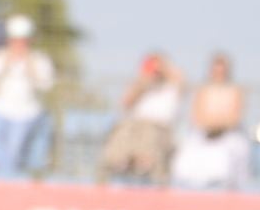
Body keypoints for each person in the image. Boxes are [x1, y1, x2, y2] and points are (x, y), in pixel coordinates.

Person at [0, 15, 54, 176]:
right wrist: (6, 63)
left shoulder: (39, 59)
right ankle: (4, 180)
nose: (19, 45)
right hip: (0, 110)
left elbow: (46, 85)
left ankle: (9, 181)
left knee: (14, 152)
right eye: (15, 40)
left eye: (23, 40)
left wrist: (29, 64)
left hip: (26, 114)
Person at [170, 53, 250, 191]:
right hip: (203, 135)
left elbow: (234, 117)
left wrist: (218, 125)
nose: (218, 74)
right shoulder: (203, 90)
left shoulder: (235, 91)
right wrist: (211, 125)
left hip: (228, 136)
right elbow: (196, 116)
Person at [100, 52, 184, 183]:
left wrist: (162, 67)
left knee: (148, 132)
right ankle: (119, 161)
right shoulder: (142, 86)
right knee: (123, 130)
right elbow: (125, 103)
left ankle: (143, 162)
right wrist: (144, 80)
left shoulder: (171, 87)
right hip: (135, 127)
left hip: (159, 129)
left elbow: (179, 78)